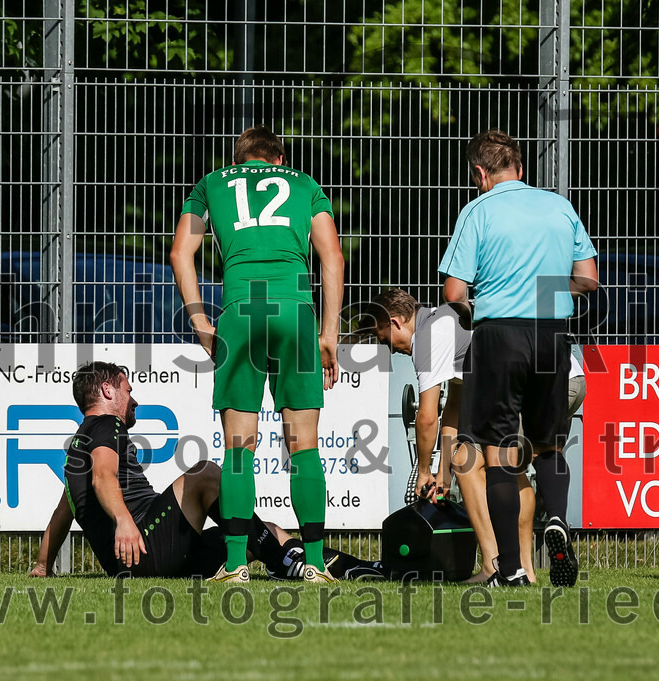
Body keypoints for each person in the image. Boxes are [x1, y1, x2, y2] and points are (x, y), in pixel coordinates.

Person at [171, 126, 345, 584]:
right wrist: (329, 333)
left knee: (238, 449)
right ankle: (314, 563)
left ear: (240, 159)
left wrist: (200, 322)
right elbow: (332, 257)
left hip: (241, 313)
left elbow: (179, 253)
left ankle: (234, 566)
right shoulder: (304, 184)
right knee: (303, 445)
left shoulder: (211, 183)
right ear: (279, 159)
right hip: (296, 311)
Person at [30, 361, 385, 581]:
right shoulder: (108, 425)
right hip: (143, 548)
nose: (134, 398)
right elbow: (103, 477)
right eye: (127, 389)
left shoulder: (78, 446)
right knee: (206, 473)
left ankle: (350, 566)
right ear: (107, 390)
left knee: (256, 533)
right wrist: (124, 521)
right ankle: (286, 561)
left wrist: (42, 566)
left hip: (145, 558)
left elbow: (63, 512)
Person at [437, 129, 598, 587]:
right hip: (551, 335)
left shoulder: (477, 210)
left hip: (499, 336)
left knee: (501, 454)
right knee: (548, 443)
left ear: (480, 173)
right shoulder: (559, 206)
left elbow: (454, 292)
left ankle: (510, 570)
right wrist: (541, 293)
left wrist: (485, 307)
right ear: (521, 169)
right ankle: (558, 521)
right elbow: (588, 279)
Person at [366, 288, 587, 584]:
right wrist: (441, 475)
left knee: (468, 462)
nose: (391, 350)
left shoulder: (427, 336)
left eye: (386, 341)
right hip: (569, 377)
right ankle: (525, 570)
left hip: (528, 385)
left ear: (395, 322)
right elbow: (453, 408)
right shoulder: (447, 322)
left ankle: (496, 566)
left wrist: (422, 472)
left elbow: (428, 416)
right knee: (513, 472)